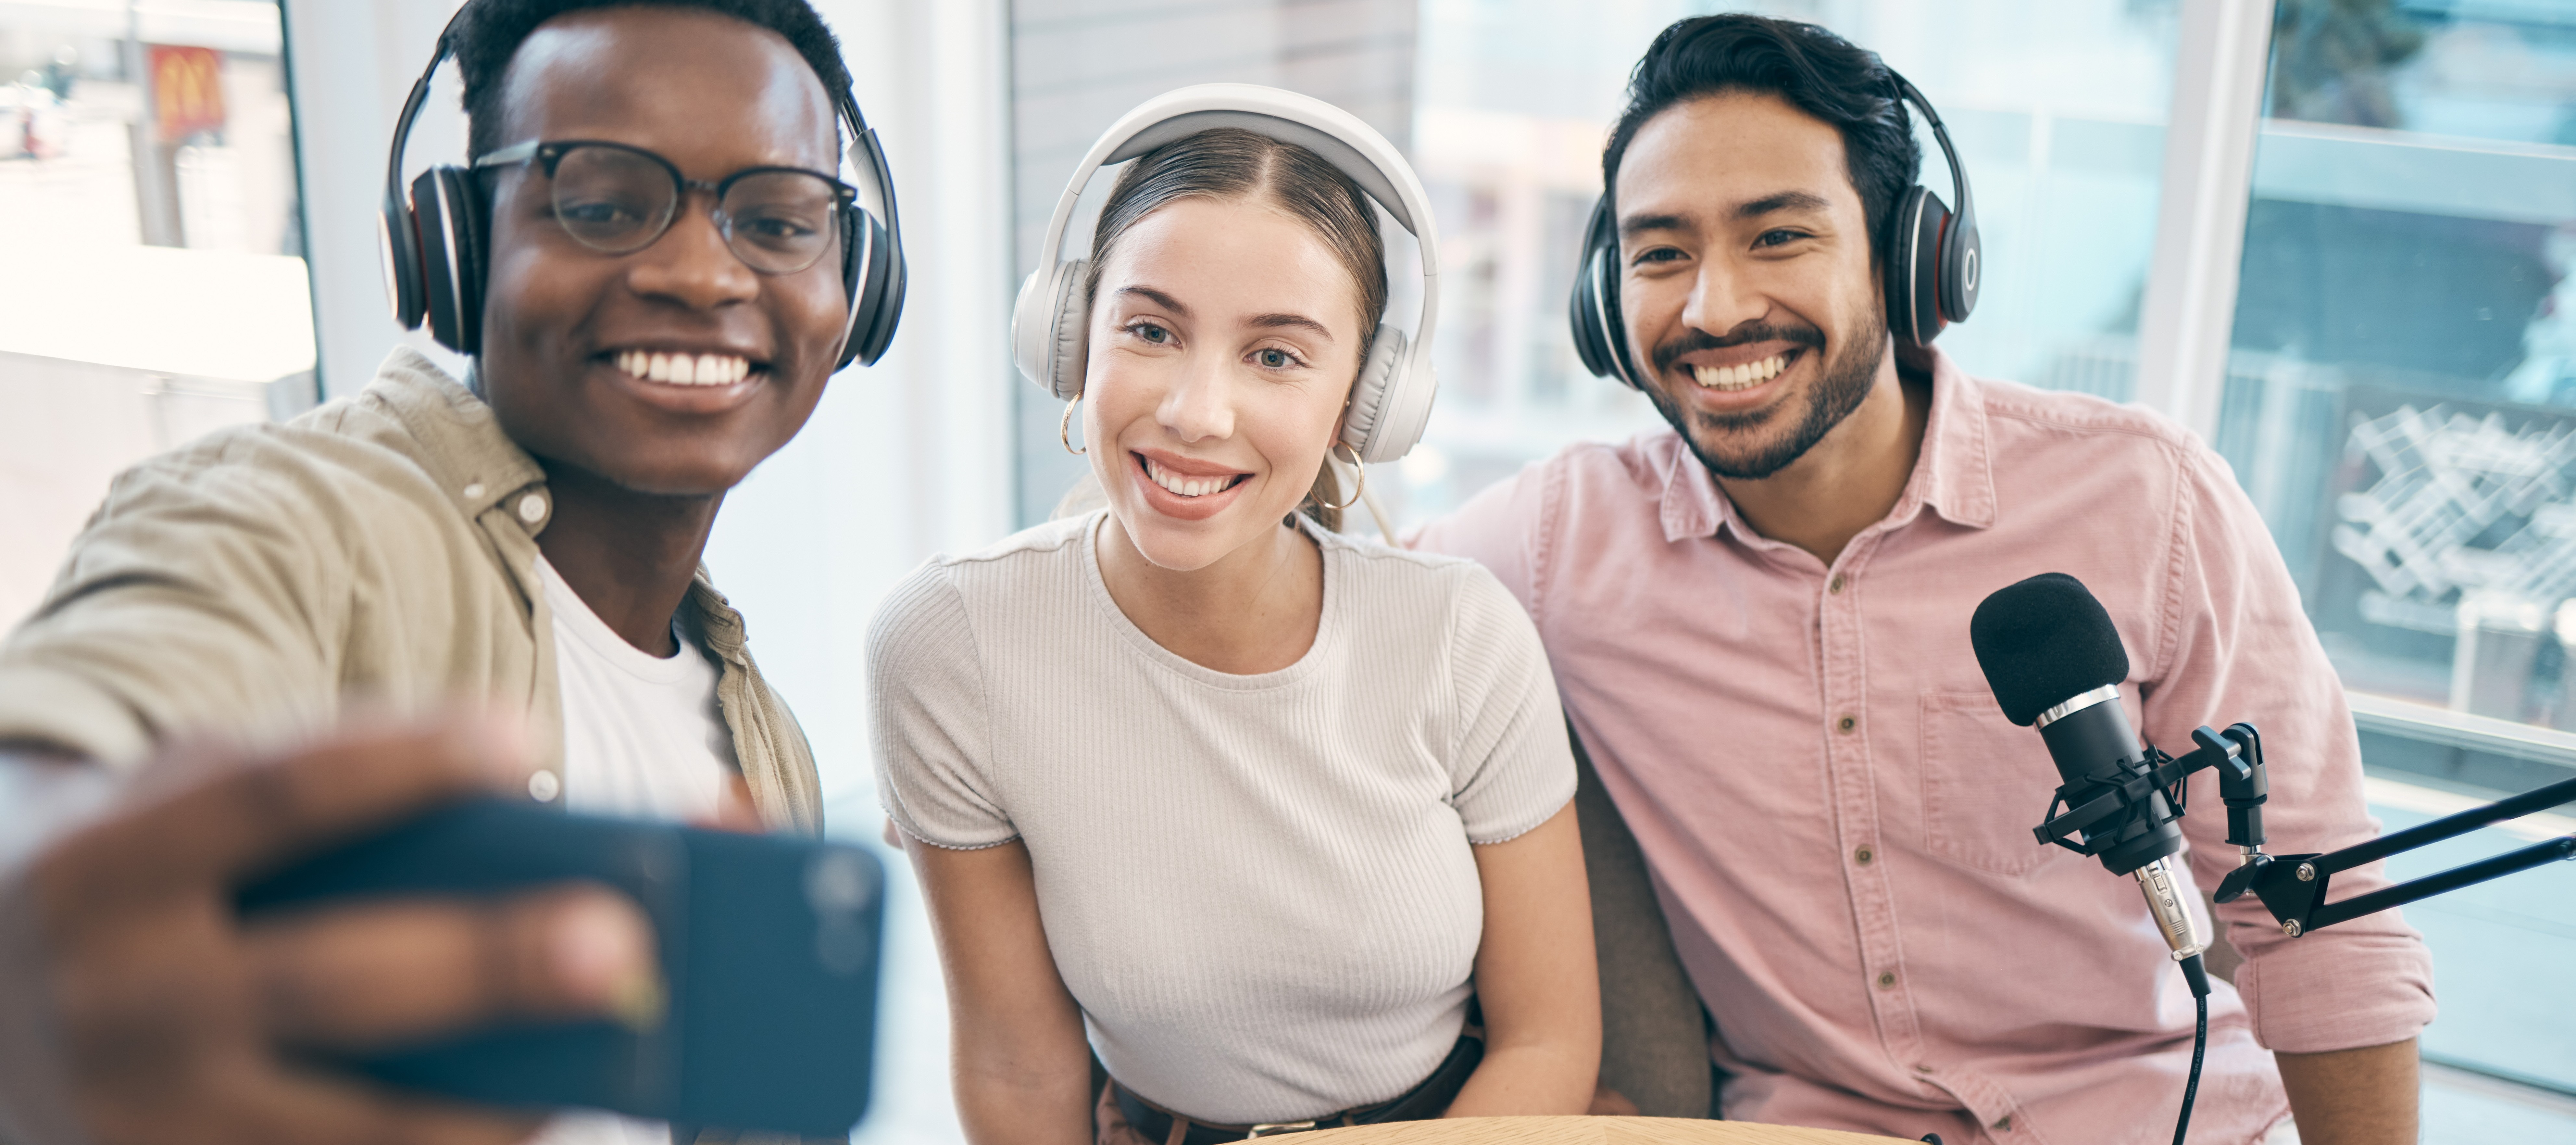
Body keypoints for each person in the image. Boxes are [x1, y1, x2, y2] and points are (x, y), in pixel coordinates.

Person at [1412, 15, 2436, 1145]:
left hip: (2164, 1116)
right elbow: (1328, 599)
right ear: (1606, 304)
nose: (1712, 309)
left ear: (1914, 259)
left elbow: (2326, 919)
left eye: (1779, 237)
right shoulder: (1558, 542)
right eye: (1661, 254)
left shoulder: (2149, 502)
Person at [0, 2, 895, 1143]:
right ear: (456, 248)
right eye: (604, 205)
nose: (697, 273)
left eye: (775, 221)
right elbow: (72, 753)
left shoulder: (767, 747)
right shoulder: (295, 526)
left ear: (856, 288)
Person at [869, 99, 1600, 1145]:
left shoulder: (1460, 635)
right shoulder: (952, 644)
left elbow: (1548, 1042)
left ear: (1365, 403)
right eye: (1152, 331)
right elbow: (1016, 1065)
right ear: (1071, 339)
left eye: (1277, 357)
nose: (1196, 413)